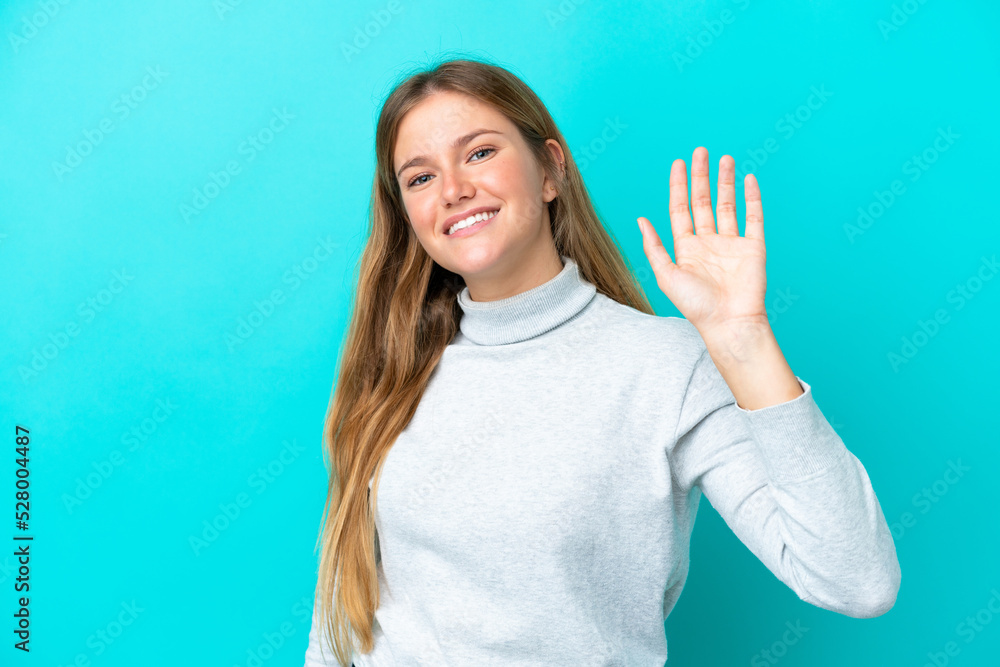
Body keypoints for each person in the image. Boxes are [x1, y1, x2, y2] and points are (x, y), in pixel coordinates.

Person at [304, 57, 900, 666]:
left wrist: (742, 339)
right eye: (420, 178)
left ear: (550, 171)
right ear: (407, 214)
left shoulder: (666, 366)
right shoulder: (394, 376)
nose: (454, 189)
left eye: (479, 153)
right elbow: (344, 619)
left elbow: (858, 581)